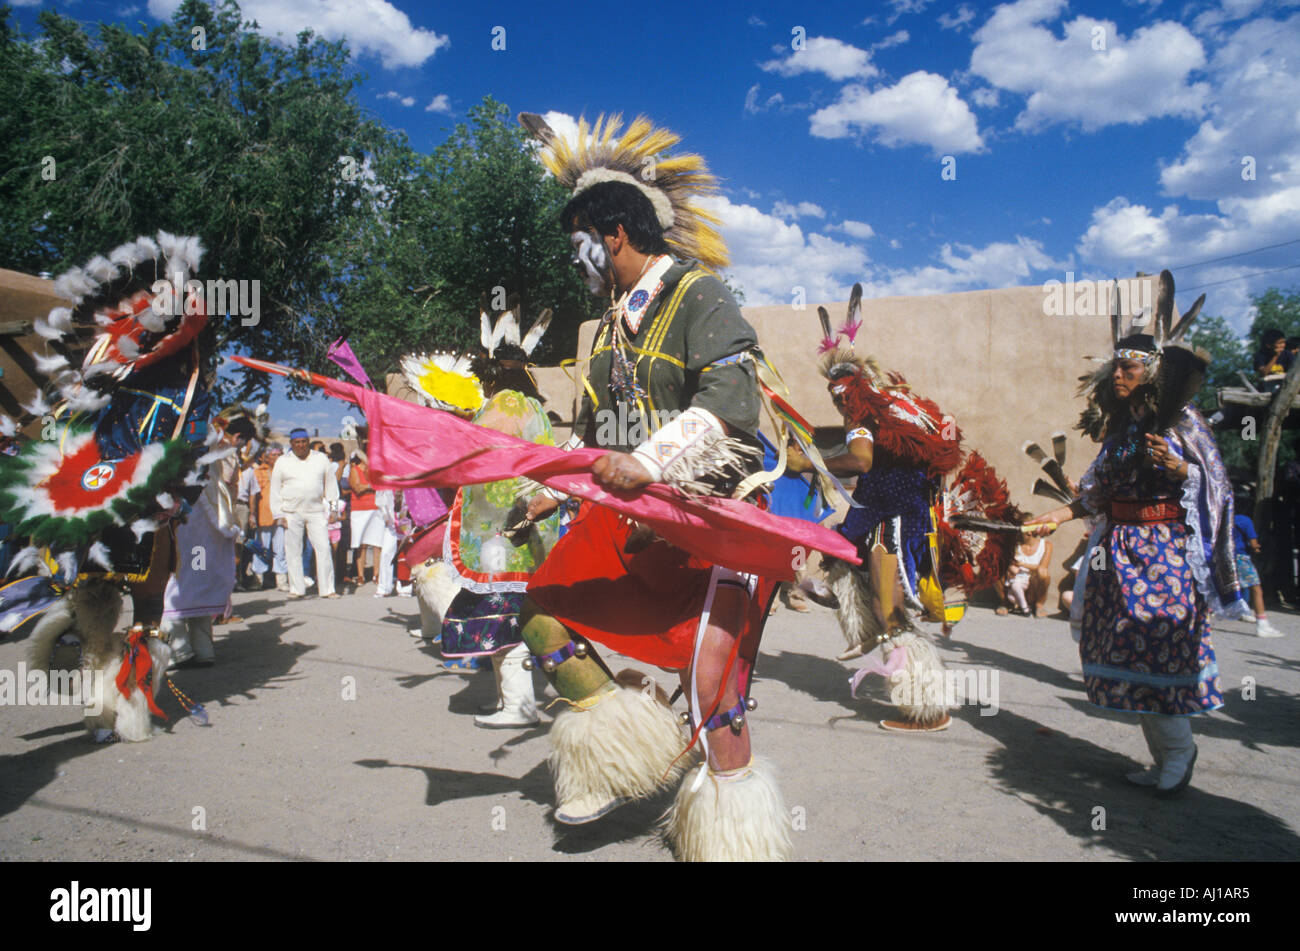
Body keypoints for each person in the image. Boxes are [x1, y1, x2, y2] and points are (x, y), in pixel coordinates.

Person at [516, 112, 789, 860]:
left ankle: (733, 835)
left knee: (711, 678)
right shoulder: (604, 330)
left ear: (611, 234)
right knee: (543, 609)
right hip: (632, 509)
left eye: (577, 240)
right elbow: (591, 431)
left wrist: (651, 460)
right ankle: (616, 748)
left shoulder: (701, 295)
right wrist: (555, 485)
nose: (573, 258)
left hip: (715, 508)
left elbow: (731, 406)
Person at [1025, 273, 1243, 796]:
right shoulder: (1122, 428)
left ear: (1153, 371)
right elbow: (1097, 492)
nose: (1116, 373)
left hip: (1161, 554)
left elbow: (1218, 484)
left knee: (1155, 646)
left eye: (1127, 366)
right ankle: (1165, 755)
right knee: (1127, 655)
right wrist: (1055, 517)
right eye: (1114, 365)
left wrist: (1180, 470)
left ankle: (1179, 752)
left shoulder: (1183, 423)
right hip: (1116, 554)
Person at [436, 319, 561, 721]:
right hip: (515, 529)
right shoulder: (528, 404)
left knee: (504, 615)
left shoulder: (507, 403)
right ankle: (514, 700)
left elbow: (484, 451)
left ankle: (521, 706)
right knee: (509, 613)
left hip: (508, 531)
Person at [164, 410, 254, 667]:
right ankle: (201, 649)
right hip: (203, 521)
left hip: (191, 522)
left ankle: (181, 650)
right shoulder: (211, 446)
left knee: (180, 581)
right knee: (194, 580)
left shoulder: (204, 442)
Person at [269, 427, 339, 598]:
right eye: (297, 442)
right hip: (291, 512)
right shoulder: (282, 461)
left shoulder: (321, 459)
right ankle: (297, 589)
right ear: (291, 443)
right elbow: (275, 490)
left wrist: (334, 508)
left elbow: (330, 485)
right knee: (293, 551)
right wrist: (279, 515)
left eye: (304, 442)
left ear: (308, 442)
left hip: (316, 511)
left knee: (323, 547)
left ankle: (328, 589)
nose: (301, 445)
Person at [1232, 503, 1282, 637]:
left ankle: (1242, 612)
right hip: (1241, 557)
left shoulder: (1222, 518)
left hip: (1226, 556)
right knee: (1256, 588)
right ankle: (1262, 624)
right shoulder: (1244, 520)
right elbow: (1254, 544)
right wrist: (1258, 549)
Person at [248, 443, 288, 590]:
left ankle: (281, 580)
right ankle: (258, 579)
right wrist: (252, 515)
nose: (277, 458)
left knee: (280, 548)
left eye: (279, 455)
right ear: (266, 457)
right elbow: (253, 494)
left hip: (281, 516)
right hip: (264, 516)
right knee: (261, 548)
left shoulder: (285, 472)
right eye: (274, 455)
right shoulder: (258, 472)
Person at [349, 430, 383, 586]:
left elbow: (379, 484)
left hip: (374, 507)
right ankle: (361, 575)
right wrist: (371, 486)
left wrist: (369, 483)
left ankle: (376, 574)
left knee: (377, 543)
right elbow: (357, 488)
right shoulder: (354, 469)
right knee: (361, 544)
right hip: (359, 510)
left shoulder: (372, 468)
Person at [998, 533, 1053, 617]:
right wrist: (1009, 568)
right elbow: (1009, 562)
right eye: (1025, 529)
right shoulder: (1014, 545)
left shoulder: (1046, 545)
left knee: (1043, 573)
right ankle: (1006, 603)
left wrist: (1022, 564)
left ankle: (1039, 605)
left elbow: (1043, 567)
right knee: (994, 568)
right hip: (1016, 581)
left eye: (1031, 529)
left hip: (1032, 586)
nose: (1029, 533)